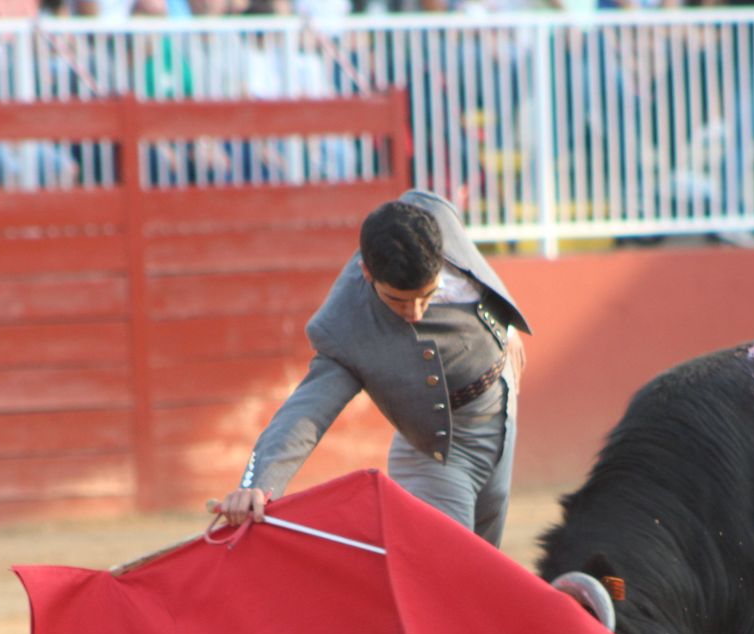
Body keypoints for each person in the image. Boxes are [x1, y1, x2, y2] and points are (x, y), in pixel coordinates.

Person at [214, 190, 530, 547]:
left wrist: (503, 322)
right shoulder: (345, 325)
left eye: (426, 297)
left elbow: (473, 264)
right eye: (398, 301)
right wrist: (256, 484)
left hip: (501, 409)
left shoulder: (431, 213)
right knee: (453, 567)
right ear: (367, 272)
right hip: (441, 448)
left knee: (489, 571)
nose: (415, 313)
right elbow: (306, 412)